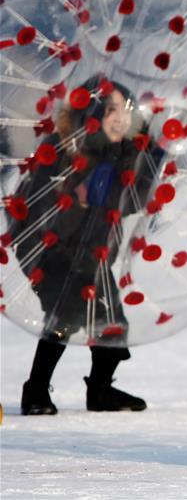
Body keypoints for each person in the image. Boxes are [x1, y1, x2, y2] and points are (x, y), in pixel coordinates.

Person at [11, 75, 153, 415]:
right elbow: (33, 209)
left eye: (126, 110)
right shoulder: (64, 151)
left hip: (94, 255)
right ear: (90, 113)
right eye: (111, 110)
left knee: (112, 323)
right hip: (55, 253)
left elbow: (133, 201)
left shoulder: (122, 157)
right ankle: (35, 391)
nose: (121, 118)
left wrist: (153, 148)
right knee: (64, 315)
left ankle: (101, 390)